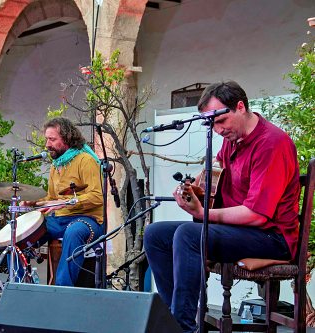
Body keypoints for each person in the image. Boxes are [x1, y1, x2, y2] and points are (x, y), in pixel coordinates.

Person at [143, 81, 300, 333]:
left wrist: (203, 213)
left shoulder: (272, 144)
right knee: (155, 234)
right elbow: (216, 173)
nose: (217, 130)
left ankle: (183, 327)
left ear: (240, 107)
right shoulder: (233, 140)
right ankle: (172, 320)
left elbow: (257, 215)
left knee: (189, 234)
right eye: (212, 124)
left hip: (272, 237)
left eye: (221, 121)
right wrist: (193, 187)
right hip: (241, 231)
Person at [22, 117, 104, 286]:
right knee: (20, 233)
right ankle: (20, 285)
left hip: (88, 219)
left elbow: (97, 196)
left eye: (52, 139)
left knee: (74, 232)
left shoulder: (85, 160)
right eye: (47, 139)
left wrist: (70, 202)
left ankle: (62, 290)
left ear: (66, 139)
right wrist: (33, 202)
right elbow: (52, 199)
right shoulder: (56, 165)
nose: (47, 144)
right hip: (60, 219)